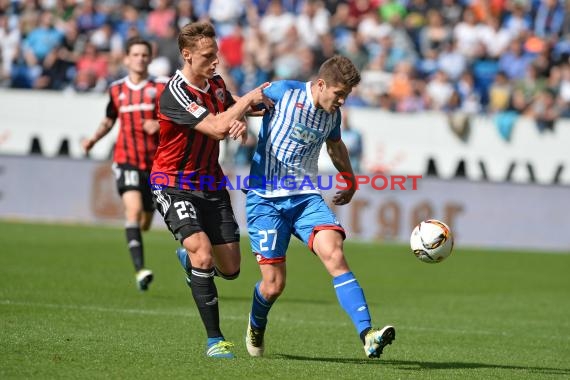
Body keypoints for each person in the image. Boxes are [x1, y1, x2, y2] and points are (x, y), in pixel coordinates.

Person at [243, 55, 396, 359]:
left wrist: (350, 180)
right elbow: (244, 101)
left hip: (304, 197)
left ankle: (367, 334)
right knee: (273, 286)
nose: (342, 101)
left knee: (335, 253)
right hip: (264, 199)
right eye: (339, 94)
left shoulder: (332, 115)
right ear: (321, 84)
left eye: (346, 96)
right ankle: (256, 324)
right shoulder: (283, 91)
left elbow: (335, 146)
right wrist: (236, 117)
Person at [150, 21, 271, 359]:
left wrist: (256, 109)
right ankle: (215, 340)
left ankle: (191, 263)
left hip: (211, 184)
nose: (215, 62)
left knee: (231, 269)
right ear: (186, 55)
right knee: (201, 252)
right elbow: (217, 126)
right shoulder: (174, 93)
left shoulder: (216, 84)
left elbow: (242, 109)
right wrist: (239, 108)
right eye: (207, 56)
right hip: (173, 183)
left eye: (216, 55)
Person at [82, 36, 167, 291]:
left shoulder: (160, 88)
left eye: (145, 55)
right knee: (132, 211)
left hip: (154, 165)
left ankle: (144, 224)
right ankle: (140, 270)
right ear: (127, 58)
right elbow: (109, 119)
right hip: (126, 160)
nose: (140, 59)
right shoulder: (117, 89)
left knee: (145, 222)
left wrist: (159, 124)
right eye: (136, 55)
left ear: (149, 59)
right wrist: (93, 140)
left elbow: (175, 120)